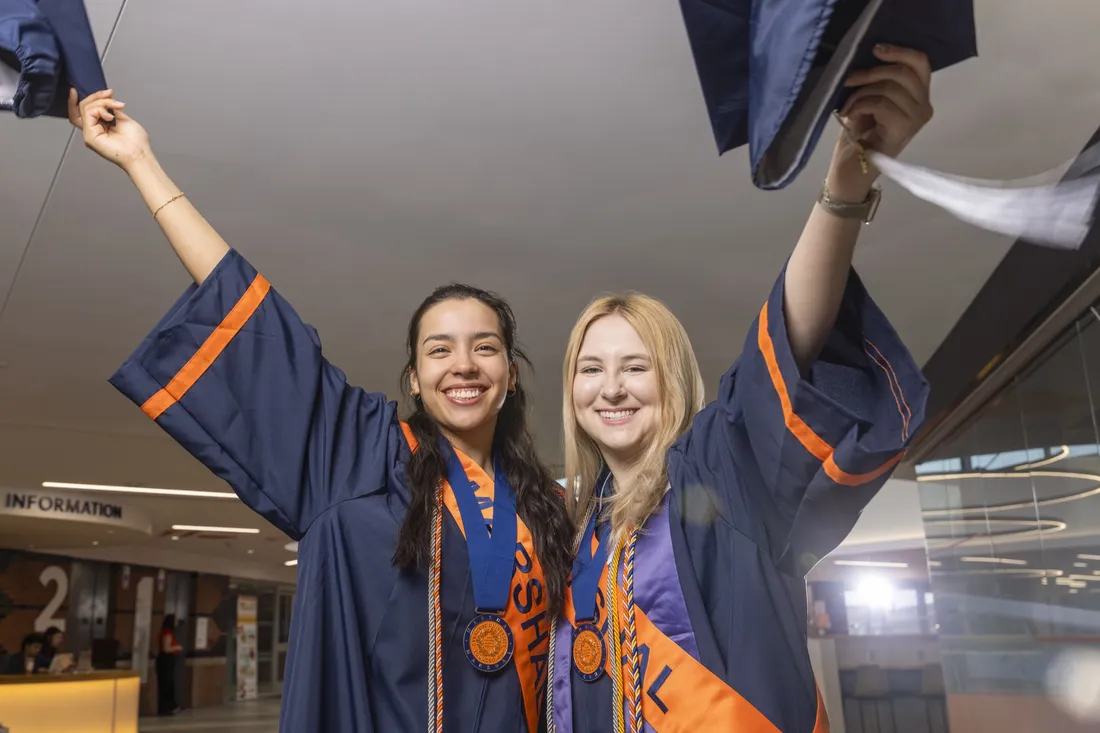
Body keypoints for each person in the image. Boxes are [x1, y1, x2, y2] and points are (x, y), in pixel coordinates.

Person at [69, 88, 572, 732]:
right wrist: (141, 162)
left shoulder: (548, 507)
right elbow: (260, 328)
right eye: (439, 350)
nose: (464, 366)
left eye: (485, 348)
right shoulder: (362, 456)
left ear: (510, 377)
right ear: (415, 380)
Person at [549, 45, 932, 732]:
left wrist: (842, 190)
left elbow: (790, 338)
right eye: (590, 367)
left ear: (671, 380)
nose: (611, 387)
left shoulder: (721, 472)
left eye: (635, 366)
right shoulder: (581, 527)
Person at [156, 615, 183, 715]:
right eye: (175, 621)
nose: (177, 623)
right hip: (165, 660)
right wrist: (177, 647)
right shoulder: (167, 633)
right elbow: (166, 648)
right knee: (166, 684)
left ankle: (168, 707)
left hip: (166, 661)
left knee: (167, 684)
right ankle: (168, 707)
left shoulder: (167, 632)